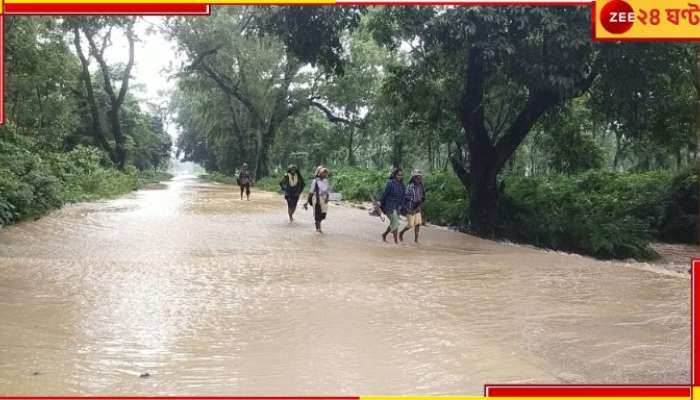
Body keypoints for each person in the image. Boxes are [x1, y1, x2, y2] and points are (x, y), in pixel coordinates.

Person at [399, 169, 426, 243]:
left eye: (420, 177)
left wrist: (419, 203)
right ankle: (401, 233)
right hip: (409, 207)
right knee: (411, 225)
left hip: (417, 208)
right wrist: (406, 208)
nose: (419, 179)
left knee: (417, 224)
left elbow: (423, 196)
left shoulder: (421, 186)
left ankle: (416, 240)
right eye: (417, 177)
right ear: (413, 178)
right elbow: (404, 198)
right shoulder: (409, 187)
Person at [380, 167, 405, 244]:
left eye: (401, 175)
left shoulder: (402, 185)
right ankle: (396, 242)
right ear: (395, 175)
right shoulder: (390, 183)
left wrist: (400, 207)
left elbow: (403, 197)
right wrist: (381, 206)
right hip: (389, 206)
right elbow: (384, 195)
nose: (400, 176)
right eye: (398, 175)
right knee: (396, 222)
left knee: (393, 223)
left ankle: (384, 235)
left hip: (397, 207)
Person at [304, 166, 330, 234]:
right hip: (316, 198)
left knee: (323, 214)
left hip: (324, 199)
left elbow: (327, 190)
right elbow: (311, 192)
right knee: (318, 213)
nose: (324, 174)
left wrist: (327, 197)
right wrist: (306, 202)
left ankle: (317, 224)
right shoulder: (315, 181)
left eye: (325, 173)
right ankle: (318, 228)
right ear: (319, 173)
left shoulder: (325, 181)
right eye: (323, 173)